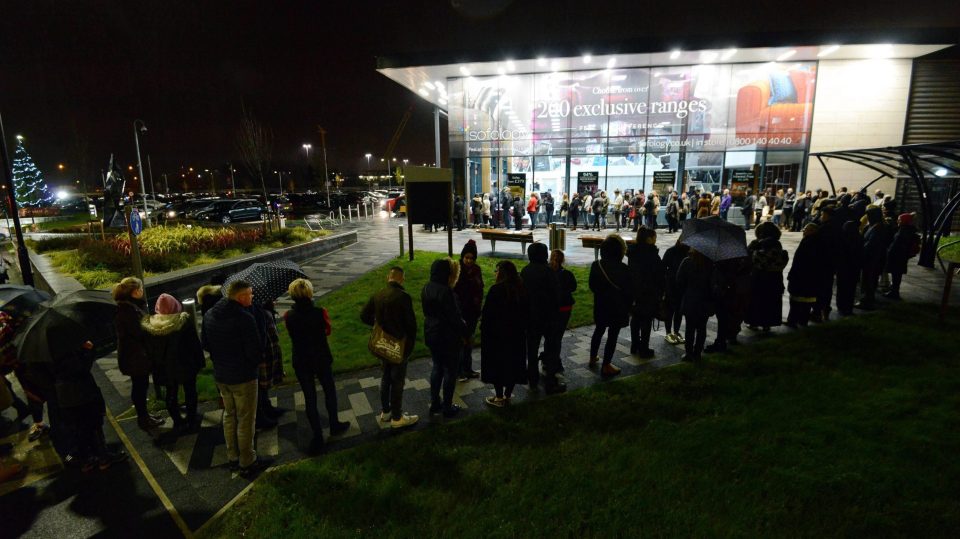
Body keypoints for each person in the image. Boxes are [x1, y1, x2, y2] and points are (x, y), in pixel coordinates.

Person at [202, 280, 270, 475]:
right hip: (243, 377)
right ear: (240, 297)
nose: (253, 297)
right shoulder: (244, 318)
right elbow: (256, 352)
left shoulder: (209, 314)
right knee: (246, 419)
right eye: (250, 294)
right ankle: (247, 460)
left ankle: (233, 456)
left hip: (222, 375)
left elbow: (205, 344)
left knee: (229, 415)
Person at [283, 279, 350, 454]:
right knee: (329, 390)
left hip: (301, 359)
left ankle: (317, 435)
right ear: (309, 293)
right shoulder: (320, 312)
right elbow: (328, 330)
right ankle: (334, 424)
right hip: (321, 357)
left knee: (309, 398)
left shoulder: (288, 316)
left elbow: (291, 333)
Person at [55, 340, 127, 472]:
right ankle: (103, 458)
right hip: (80, 393)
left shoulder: (43, 353)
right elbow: (80, 368)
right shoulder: (64, 350)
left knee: (79, 428)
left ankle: (87, 460)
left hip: (63, 396)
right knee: (93, 425)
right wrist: (88, 350)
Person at [361, 267, 419, 428]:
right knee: (397, 380)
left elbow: (364, 316)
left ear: (389, 277)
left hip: (382, 345)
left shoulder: (378, 294)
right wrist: (409, 345)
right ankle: (397, 417)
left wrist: (377, 325)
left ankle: (386, 412)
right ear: (402, 279)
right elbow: (411, 326)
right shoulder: (404, 297)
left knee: (386, 376)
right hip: (398, 346)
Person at [141, 294, 204, 434]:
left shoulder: (150, 325)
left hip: (163, 367)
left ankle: (177, 420)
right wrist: (200, 362)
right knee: (190, 391)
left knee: (171, 392)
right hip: (185, 364)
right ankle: (191, 419)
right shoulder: (183, 321)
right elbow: (194, 344)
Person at [113, 277, 163, 431]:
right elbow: (140, 332)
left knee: (140, 387)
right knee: (140, 388)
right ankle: (143, 418)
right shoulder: (129, 311)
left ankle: (145, 416)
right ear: (135, 292)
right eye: (140, 289)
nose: (142, 291)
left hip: (134, 356)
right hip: (136, 358)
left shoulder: (128, 307)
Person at [422, 258, 469, 417]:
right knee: (450, 371)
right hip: (448, 337)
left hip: (431, 333)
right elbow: (454, 317)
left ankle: (435, 403)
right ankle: (447, 407)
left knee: (437, 368)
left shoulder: (426, 287)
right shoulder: (446, 291)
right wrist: (465, 331)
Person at [480, 261, 527, 407]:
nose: (495, 273)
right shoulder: (520, 289)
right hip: (516, 335)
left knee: (497, 365)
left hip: (497, 335)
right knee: (512, 364)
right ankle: (507, 395)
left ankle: (499, 397)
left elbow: (487, 314)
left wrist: (484, 329)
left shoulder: (496, 290)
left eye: (497, 270)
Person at [520, 242, 565, 393]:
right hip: (549, 316)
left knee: (532, 349)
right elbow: (557, 295)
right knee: (551, 348)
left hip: (531, 317)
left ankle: (532, 379)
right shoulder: (548, 272)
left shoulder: (525, 271)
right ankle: (550, 381)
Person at [588, 235, 631, 376]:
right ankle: (606, 365)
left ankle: (593, 357)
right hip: (617, 307)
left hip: (601, 304)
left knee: (598, 331)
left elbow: (592, 286)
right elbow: (628, 290)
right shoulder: (624, 269)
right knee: (613, 335)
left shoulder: (597, 265)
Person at [744, 222, 789, 332]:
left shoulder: (758, 244)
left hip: (759, 277)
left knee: (756, 300)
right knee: (771, 301)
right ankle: (767, 324)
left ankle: (754, 322)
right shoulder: (777, 244)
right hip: (775, 278)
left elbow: (747, 257)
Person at [627, 227, 664, 359]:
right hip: (649, 292)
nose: (655, 239)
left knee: (636, 319)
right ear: (649, 239)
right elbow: (659, 275)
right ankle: (644, 348)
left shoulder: (633, 252)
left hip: (634, 292)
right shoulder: (652, 255)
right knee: (646, 320)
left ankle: (635, 344)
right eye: (654, 237)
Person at [453, 240, 483, 381]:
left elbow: (480, 288)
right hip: (461, 312)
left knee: (469, 342)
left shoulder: (477, 270)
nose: (469, 261)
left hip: (473, 311)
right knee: (460, 342)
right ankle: (458, 371)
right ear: (462, 257)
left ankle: (467, 368)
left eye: (471, 258)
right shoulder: (457, 270)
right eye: (467, 257)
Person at [676, 249, 713, 361]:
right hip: (705, 299)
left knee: (690, 328)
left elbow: (679, 280)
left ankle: (689, 353)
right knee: (702, 328)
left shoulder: (687, 261)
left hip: (690, 298)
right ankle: (697, 352)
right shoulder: (711, 263)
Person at [251, 301, 283, 429]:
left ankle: (266, 406)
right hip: (263, 351)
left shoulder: (260, 310)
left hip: (267, 349)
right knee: (261, 382)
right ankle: (261, 414)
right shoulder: (257, 311)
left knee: (264, 382)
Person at [786, 224, 821, 327]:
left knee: (796, 300)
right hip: (811, 277)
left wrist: (792, 275)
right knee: (807, 300)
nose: (803, 231)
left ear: (812, 231)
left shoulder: (808, 242)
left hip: (802, 276)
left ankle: (793, 320)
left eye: (806, 229)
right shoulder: (816, 241)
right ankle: (802, 320)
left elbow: (799, 261)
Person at [550, 249, 577, 376]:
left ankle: (549, 359)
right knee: (558, 336)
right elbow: (573, 287)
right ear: (563, 260)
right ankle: (555, 361)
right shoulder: (567, 274)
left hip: (552, 308)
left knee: (551, 336)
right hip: (565, 308)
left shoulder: (547, 273)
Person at [883, 213, 920, 300]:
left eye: (899, 220)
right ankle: (894, 291)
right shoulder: (907, 230)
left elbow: (896, 245)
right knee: (897, 274)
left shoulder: (903, 232)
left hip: (898, 257)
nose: (897, 221)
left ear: (904, 221)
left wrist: (889, 252)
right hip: (902, 257)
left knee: (896, 274)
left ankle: (894, 292)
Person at [661, 240, 689, 345]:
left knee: (678, 310)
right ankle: (669, 332)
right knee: (670, 310)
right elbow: (663, 268)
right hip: (671, 285)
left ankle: (676, 331)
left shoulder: (687, 252)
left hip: (680, 285)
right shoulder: (671, 251)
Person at [836, 221, 863, 315]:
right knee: (851, 290)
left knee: (842, 289)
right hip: (854, 269)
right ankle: (849, 307)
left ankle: (841, 307)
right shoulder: (859, 238)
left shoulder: (842, 239)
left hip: (843, 268)